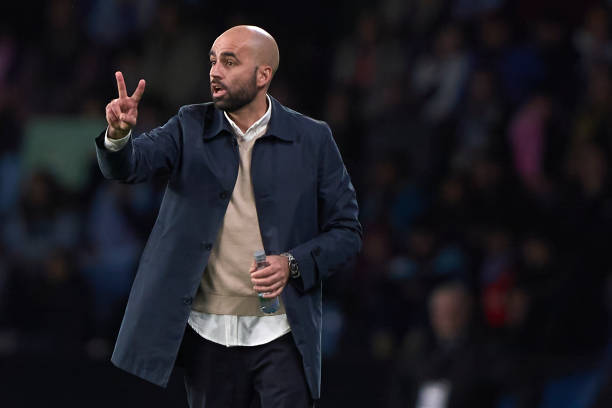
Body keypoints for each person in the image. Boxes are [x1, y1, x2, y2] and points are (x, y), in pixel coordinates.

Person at [95, 25, 362, 407]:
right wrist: (118, 136)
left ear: (263, 75)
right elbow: (130, 167)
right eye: (212, 61)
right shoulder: (189, 125)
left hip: (281, 331)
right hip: (207, 333)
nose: (215, 71)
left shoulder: (312, 138)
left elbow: (347, 231)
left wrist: (292, 263)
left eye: (229, 62)